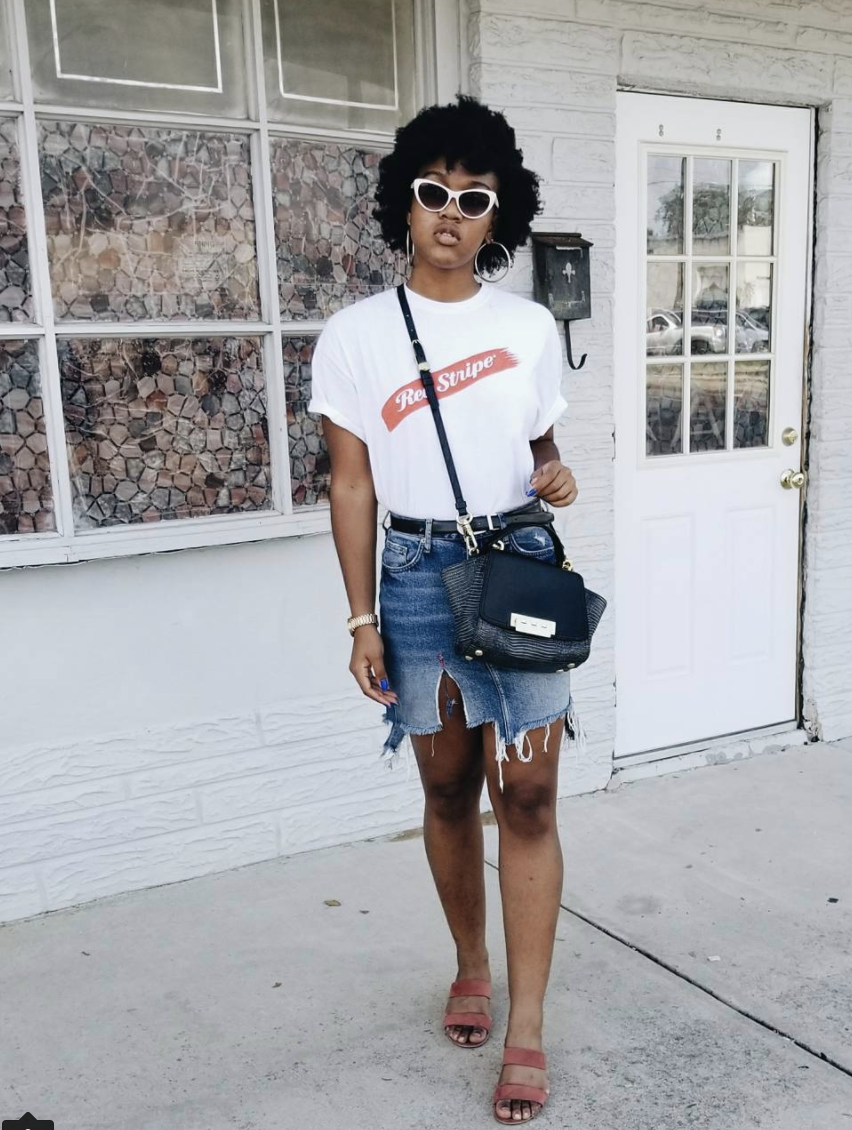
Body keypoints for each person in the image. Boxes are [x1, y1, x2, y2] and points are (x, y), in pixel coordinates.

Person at [308, 94, 585, 1125]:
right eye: (433, 193)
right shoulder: (356, 335)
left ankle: (527, 1025)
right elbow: (350, 485)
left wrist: (555, 475)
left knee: (531, 797)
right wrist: (359, 618)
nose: (452, 213)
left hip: (515, 560)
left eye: (474, 198)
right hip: (416, 573)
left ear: (496, 212)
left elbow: (539, 444)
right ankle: (471, 960)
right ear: (404, 202)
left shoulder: (526, 327)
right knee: (447, 784)